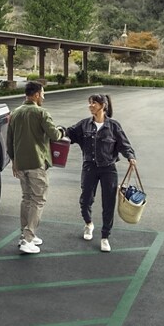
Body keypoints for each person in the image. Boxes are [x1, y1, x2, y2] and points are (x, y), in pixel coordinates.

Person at [63, 93, 137, 253]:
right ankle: (88, 224)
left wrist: (130, 157)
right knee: (85, 200)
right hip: (89, 167)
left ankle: (105, 237)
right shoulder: (84, 125)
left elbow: (124, 144)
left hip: (108, 169)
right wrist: (58, 130)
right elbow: (69, 132)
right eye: (89, 103)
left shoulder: (113, 126)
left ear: (102, 105)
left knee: (108, 204)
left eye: (93, 103)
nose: (90, 106)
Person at [5, 81, 66, 254]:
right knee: (38, 200)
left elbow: (9, 141)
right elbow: (54, 135)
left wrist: (14, 161)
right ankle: (28, 238)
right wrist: (62, 131)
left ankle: (24, 235)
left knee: (27, 198)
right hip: (36, 163)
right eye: (43, 94)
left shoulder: (15, 113)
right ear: (37, 94)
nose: (44, 97)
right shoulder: (41, 113)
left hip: (21, 164)